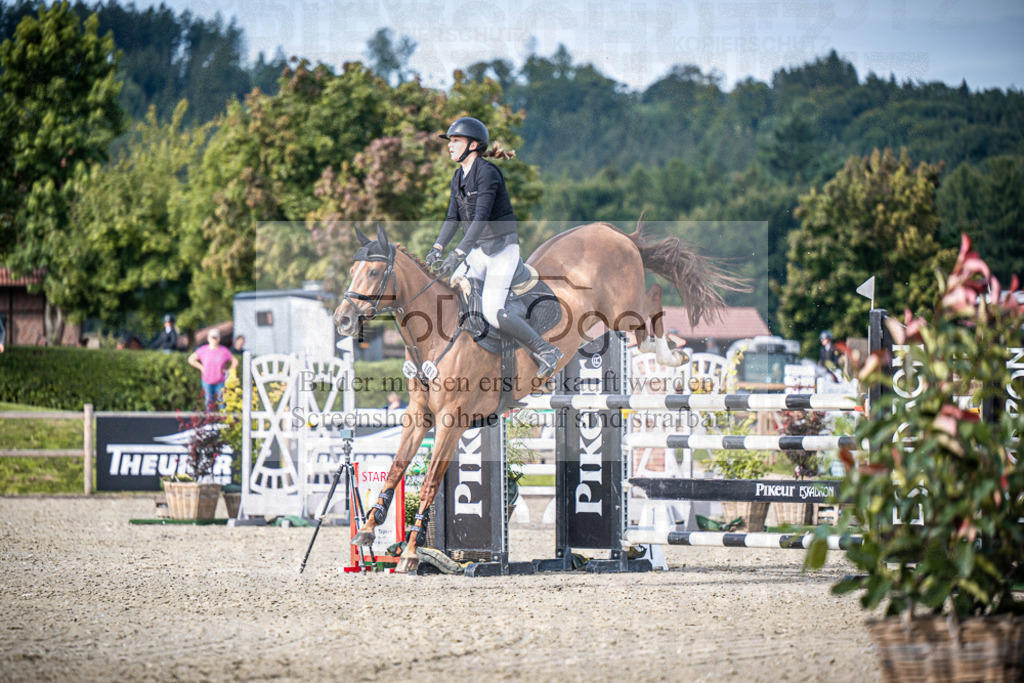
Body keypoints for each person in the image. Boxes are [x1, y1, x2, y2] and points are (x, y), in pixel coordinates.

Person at [425, 116, 562, 379]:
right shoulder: (458, 176)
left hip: (502, 251)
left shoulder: (488, 173)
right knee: (452, 291)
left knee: (492, 311)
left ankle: (545, 351)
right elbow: (453, 218)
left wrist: (458, 253)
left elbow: (481, 218)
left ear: (473, 145)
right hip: (479, 252)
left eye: (456, 141)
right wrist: (438, 247)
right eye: (450, 141)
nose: (450, 146)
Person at [188, 328, 237, 409]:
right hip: (207, 380)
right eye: (212, 337)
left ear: (219, 338)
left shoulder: (223, 351)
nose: (214, 340)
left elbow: (235, 361)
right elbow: (191, 359)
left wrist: (228, 371)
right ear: (208, 338)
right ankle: (210, 421)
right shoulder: (203, 350)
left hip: (220, 381)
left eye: (215, 337)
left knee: (221, 402)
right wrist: (201, 367)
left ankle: (222, 421)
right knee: (208, 402)